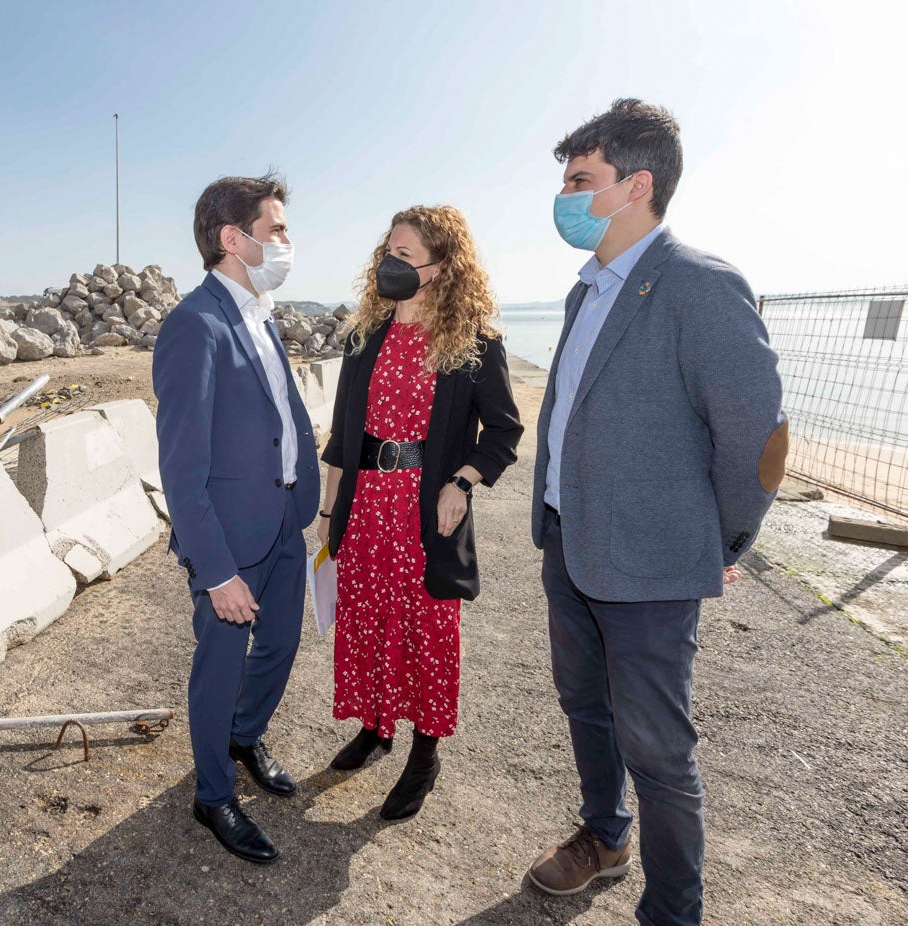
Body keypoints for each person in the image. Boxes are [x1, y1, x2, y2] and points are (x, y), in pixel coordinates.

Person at [526, 99, 788, 926]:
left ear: (634, 185)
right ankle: (603, 837)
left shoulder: (698, 286)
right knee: (583, 705)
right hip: (570, 544)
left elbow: (758, 438)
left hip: (650, 562)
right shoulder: (583, 293)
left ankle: (672, 911)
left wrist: (719, 538)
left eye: (580, 180)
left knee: (659, 753)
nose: (564, 196)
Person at [317, 205, 523, 820]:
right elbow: (340, 435)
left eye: (406, 256)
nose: (390, 264)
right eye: (388, 250)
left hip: (425, 512)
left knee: (427, 632)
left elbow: (505, 432)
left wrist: (464, 480)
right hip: (367, 504)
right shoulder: (365, 336)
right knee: (368, 620)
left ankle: (423, 754)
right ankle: (376, 728)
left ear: (441, 267)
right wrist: (329, 513)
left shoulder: (474, 341)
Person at [152, 173, 320, 864]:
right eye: (275, 229)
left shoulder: (261, 311)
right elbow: (180, 466)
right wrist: (215, 570)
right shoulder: (194, 324)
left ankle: (242, 736)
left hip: (281, 518)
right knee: (219, 669)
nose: (286, 241)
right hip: (229, 539)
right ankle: (212, 795)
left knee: (279, 647)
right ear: (233, 239)